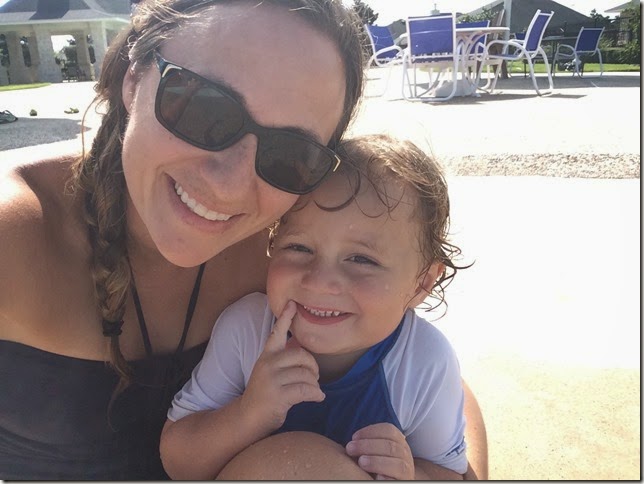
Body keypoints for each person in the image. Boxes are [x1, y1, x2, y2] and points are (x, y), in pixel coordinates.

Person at [0, 0, 487, 480]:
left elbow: (428, 380)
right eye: (201, 107)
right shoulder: (13, 236)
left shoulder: (284, 255)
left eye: (292, 152)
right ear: (134, 77)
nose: (230, 184)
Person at [161, 134, 470, 480]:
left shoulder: (424, 362)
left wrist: (412, 475)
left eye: (362, 259)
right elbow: (179, 462)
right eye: (299, 248)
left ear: (421, 283)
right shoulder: (246, 330)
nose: (319, 281)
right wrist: (249, 413)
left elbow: (452, 474)